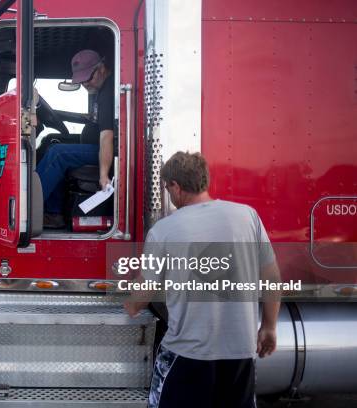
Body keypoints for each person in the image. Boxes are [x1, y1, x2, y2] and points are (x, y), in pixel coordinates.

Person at [124, 152, 281, 408]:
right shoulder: (248, 216)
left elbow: (143, 295)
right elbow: (272, 277)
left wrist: (128, 304)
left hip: (188, 353)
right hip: (241, 353)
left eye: (167, 188)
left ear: (176, 186)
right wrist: (269, 326)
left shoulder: (163, 230)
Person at [35, 49, 114, 228]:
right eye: (81, 80)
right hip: (96, 145)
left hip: (105, 150)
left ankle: (27, 208)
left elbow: (107, 137)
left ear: (101, 68)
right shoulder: (101, 90)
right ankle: (53, 213)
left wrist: (103, 175)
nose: (85, 84)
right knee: (52, 144)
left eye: (88, 78)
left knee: (57, 154)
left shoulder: (108, 92)